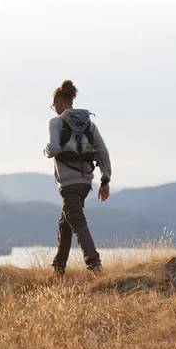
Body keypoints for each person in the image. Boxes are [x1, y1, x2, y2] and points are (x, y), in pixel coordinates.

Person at [43, 80, 112, 278]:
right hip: (85, 184)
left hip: (68, 184)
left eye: (54, 104)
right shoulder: (89, 124)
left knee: (78, 222)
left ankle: (95, 264)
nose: (54, 108)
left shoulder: (56, 122)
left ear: (60, 102)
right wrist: (105, 181)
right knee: (66, 224)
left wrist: (46, 151)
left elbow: (54, 148)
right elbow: (103, 153)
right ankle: (58, 270)